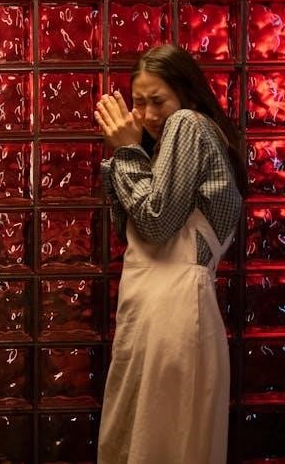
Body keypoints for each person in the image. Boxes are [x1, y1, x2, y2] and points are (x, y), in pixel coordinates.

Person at [94, 44, 245, 464]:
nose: (146, 114)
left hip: (173, 311)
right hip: (154, 310)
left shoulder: (188, 124)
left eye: (157, 100)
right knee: (150, 441)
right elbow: (132, 233)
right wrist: (128, 153)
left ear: (187, 93)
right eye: (138, 102)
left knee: (159, 443)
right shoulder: (163, 152)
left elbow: (156, 224)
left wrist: (126, 152)